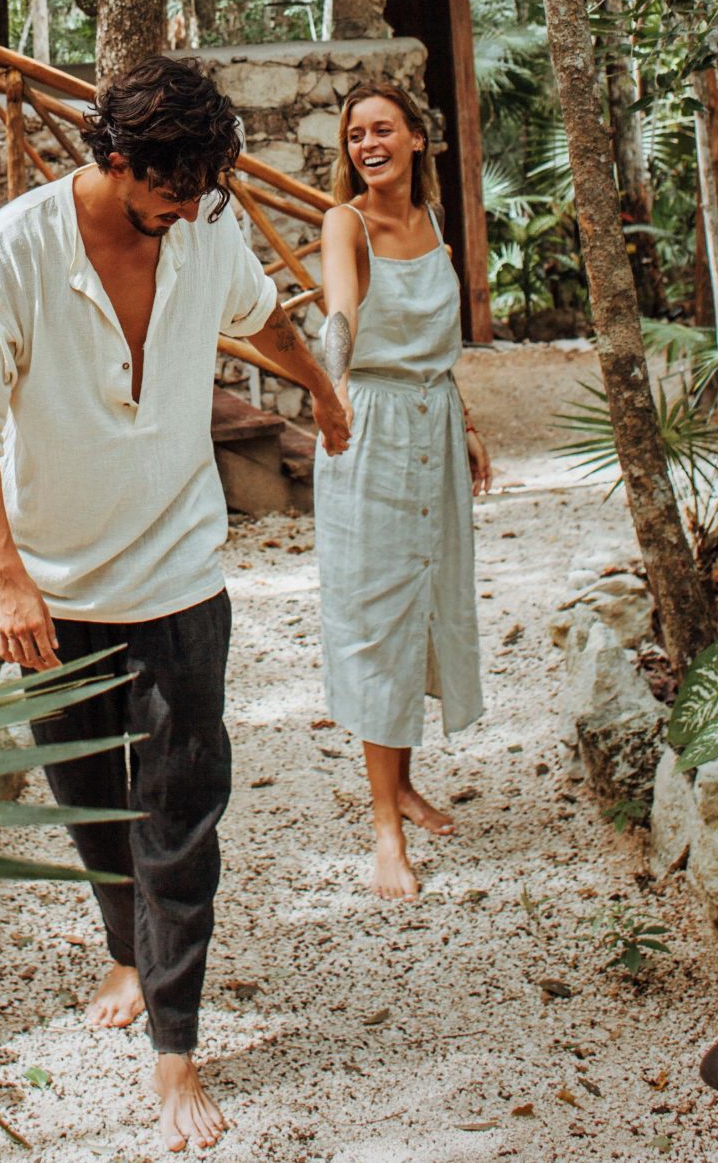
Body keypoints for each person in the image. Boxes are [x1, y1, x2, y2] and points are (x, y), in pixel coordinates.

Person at [0, 55, 350, 1153]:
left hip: (177, 575)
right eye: (173, 192)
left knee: (179, 813)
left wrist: (320, 386)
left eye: (204, 193)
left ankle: (175, 1041)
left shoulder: (202, 224)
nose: (190, 212)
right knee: (88, 798)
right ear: (114, 160)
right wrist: (7, 574)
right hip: (57, 590)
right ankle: (128, 946)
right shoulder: (14, 250)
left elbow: (261, 317)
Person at [314, 82, 490, 901]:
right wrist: (335, 378)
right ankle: (384, 826)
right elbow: (341, 308)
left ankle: (406, 784)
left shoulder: (433, 223)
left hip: (436, 423)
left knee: (424, 599)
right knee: (378, 613)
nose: (368, 143)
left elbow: (443, 346)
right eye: (356, 134)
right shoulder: (345, 221)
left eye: (383, 129)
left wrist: (471, 423)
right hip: (372, 428)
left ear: (419, 139)